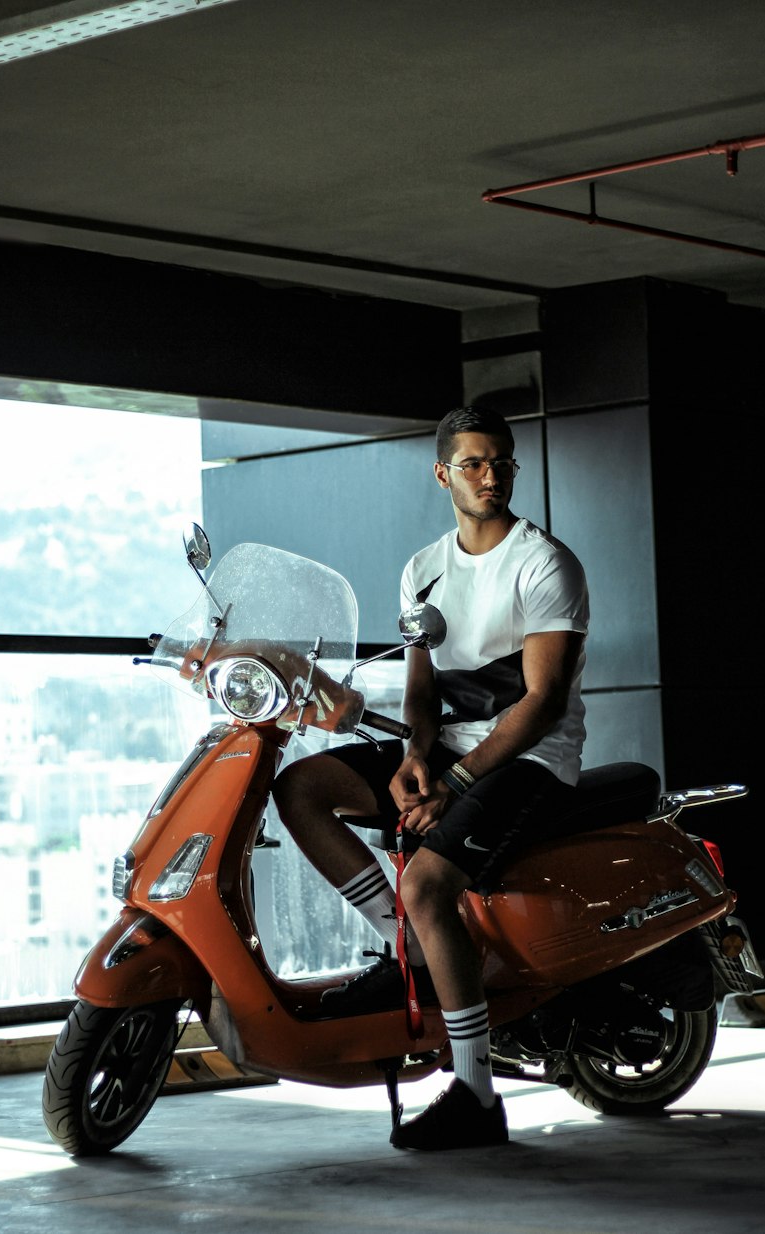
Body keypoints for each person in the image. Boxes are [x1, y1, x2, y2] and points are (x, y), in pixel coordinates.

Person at [273, 405, 589, 1150]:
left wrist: (455, 778)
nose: (491, 476)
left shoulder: (546, 562)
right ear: (443, 473)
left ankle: (476, 1093)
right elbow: (422, 687)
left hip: (530, 760)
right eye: (474, 463)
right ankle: (404, 942)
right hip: (447, 752)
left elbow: (541, 703)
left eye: (502, 462)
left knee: (426, 884)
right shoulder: (423, 567)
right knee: (302, 789)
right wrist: (417, 754)